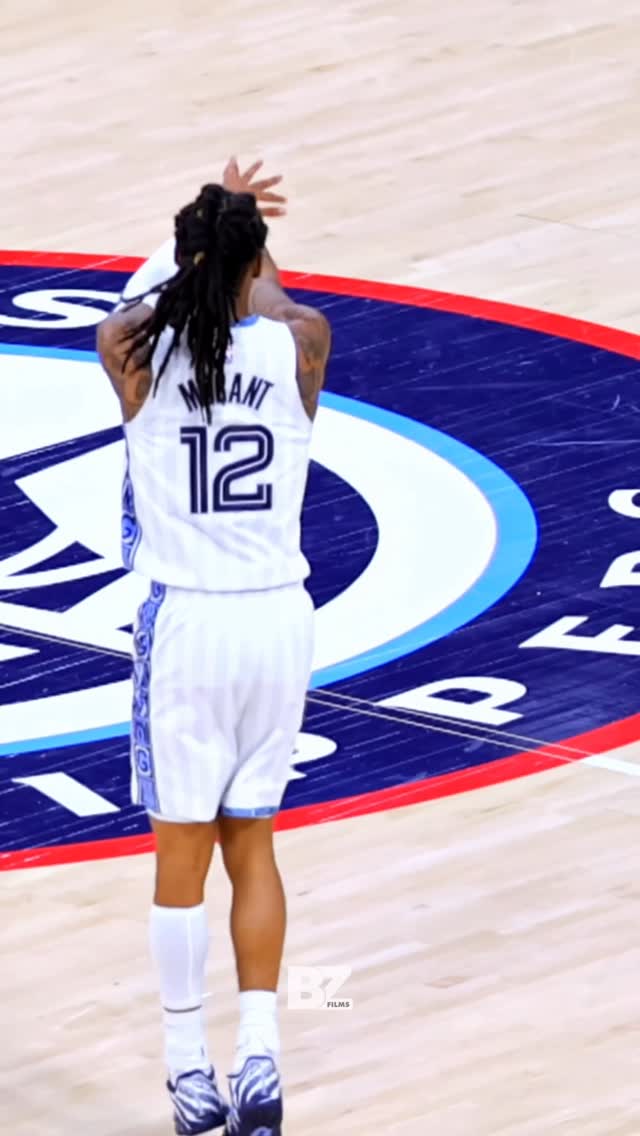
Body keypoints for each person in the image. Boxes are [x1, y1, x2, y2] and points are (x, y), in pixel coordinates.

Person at [96, 157, 331, 1136]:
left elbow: (136, 304)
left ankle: (190, 1071)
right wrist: (237, 238)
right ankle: (262, 1055)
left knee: (181, 857)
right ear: (255, 263)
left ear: (187, 260)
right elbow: (268, 301)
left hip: (189, 624)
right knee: (254, 841)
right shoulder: (302, 343)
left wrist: (193, 233)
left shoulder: (133, 350)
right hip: (278, 620)